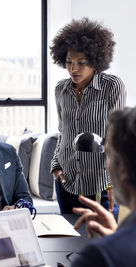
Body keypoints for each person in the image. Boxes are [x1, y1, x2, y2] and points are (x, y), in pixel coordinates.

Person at [49, 18, 126, 215]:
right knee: (68, 244)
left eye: (81, 63)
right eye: (68, 62)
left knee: (101, 242)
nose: (73, 69)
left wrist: (115, 179)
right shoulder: (61, 89)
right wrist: (56, 166)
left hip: (101, 185)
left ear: (95, 61)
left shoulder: (112, 86)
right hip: (67, 183)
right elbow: (62, 132)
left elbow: (116, 136)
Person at [71, 107, 136, 267]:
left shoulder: (98, 257)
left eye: (108, 155)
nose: (107, 166)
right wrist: (117, 236)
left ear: (121, 169)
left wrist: (113, 246)